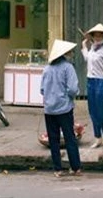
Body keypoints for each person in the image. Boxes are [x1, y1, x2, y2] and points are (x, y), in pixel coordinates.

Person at [40, 39, 81, 177]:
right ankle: (75, 167)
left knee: (54, 140)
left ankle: (57, 169)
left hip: (49, 110)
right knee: (70, 138)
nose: (71, 54)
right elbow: (73, 89)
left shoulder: (46, 69)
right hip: (64, 108)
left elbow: (42, 90)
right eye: (69, 52)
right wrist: (71, 96)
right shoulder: (68, 67)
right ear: (65, 53)